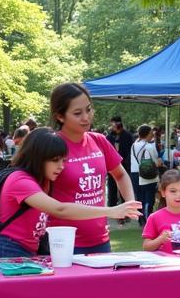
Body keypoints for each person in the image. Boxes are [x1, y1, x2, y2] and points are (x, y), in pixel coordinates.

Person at [0, 128, 140, 258]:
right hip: (11, 249)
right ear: (38, 157)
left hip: (31, 249)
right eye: (55, 160)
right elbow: (59, 209)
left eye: (63, 161)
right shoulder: (20, 181)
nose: (61, 167)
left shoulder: (41, 181)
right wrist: (111, 211)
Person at [49, 82, 135, 254]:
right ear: (60, 116)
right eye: (77, 113)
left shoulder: (99, 141)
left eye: (88, 109)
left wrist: (130, 203)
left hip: (101, 240)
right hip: (64, 243)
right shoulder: (51, 146)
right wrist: (111, 210)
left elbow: (120, 175)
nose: (86, 117)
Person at [129, 124, 162, 223]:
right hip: (147, 174)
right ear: (147, 134)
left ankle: (141, 219)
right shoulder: (149, 146)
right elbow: (157, 163)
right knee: (149, 198)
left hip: (134, 173)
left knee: (139, 198)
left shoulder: (134, 145)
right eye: (151, 133)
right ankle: (148, 219)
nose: (153, 134)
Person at [105, 115, 134, 207]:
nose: (113, 126)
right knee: (112, 187)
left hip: (125, 165)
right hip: (112, 166)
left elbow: (130, 151)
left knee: (124, 187)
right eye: (112, 124)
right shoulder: (109, 137)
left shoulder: (128, 136)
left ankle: (126, 208)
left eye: (115, 124)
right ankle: (112, 206)